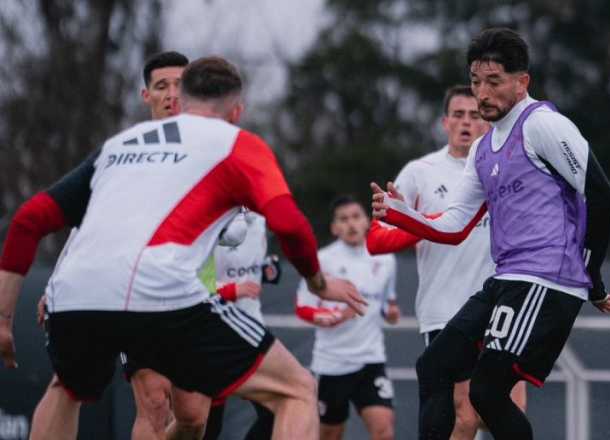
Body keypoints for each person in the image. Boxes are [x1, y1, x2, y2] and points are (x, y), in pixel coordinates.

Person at [0, 56, 368, 440]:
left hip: (77, 296)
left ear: (182, 98)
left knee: (79, 392)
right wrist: (319, 284)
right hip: (161, 292)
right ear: (237, 110)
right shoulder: (237, 144)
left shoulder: (118, 145)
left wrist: (4, 319)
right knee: (297, 391)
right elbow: (290, 224)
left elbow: (28, 220)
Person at [371, 28, 610, 440]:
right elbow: (453, 226)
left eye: (493, 81)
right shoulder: (483, 151)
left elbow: (601, 195)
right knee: (433, 366)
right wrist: (401, 214)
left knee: (487, 391)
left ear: (522, 82)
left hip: (547, 279)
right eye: (475, 81)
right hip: (507, 279)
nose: (481, 93)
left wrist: (592, 279)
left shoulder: (543, 125)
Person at [26, 50, 213, 440]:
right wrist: (58, 282)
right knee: (153, 401)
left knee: (194, 416)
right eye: (161, 86)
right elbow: (88, 221)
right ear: (147, 96)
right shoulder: (131, 151)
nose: (171, 94)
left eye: (180, 84)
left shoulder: (216, 148)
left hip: (196, 294)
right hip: (133, 292)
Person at [366, 84, 527, 439]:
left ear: (487, 120)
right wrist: (430, 223)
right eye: (458, 115)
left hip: (499, 305)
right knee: (465, 416)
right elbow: (375, 240)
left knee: (506, 411)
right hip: (447, 310)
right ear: (444, 122)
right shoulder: (420, 172)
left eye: (474, 114)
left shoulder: (506, 170)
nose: (466, 122)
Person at [296, 196, 400, 440]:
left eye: (356, 217)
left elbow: (388, 306)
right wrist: (331, 316)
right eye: (343, 219)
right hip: (332, 363)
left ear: (366, 221)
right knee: (330, 434)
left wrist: (391, 314)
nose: (351, 224)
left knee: (384, 429)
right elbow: (302, 307)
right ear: (334, 228)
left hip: (371, 359)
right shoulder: (322, 260)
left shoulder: (386, 258)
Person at [200, 209, 280, 440]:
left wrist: (268, 268)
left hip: (252, 331)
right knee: (204, 426)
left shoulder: (261, 218)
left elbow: (250, 269)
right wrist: (231, 290)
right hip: (212, 332)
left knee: (275, 411)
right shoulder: (209, 213)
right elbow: (192, 281)